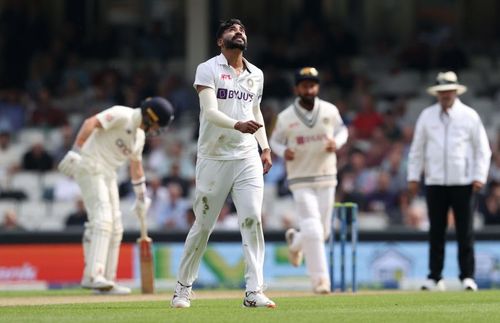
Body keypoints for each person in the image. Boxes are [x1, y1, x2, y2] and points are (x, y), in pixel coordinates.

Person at [171, 18, 275, 308]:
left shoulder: (257, 74)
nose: (238, 32)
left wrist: (264, 147)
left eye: (242, 29)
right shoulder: (208, 68)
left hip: (246, 156)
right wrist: (237, 125)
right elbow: (210, 112)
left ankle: (254, 290)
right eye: (232, 30)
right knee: (203, 225)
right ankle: (182, 288)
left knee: (252, 219)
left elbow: (256, 111)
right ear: (220, 41)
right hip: (214, 156)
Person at [58, 96, 174, 295]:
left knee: (116, 226)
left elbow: (136, 167)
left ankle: (106, 281)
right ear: (150, 118)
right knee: (102, 219)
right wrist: (77, 150)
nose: (156, 131)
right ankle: (93, 276)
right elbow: (91, 122)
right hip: (89, 164)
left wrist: (141, 197)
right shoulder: (122, 114)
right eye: (156, 126)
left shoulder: (139, 137)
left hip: (108, 173)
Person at [407, 71, 491, 292]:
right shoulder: (427, 116)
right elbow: (417, 149)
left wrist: (479, 176)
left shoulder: (469, 115)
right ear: (437, 94)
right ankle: (435, 276)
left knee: (465, 231)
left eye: (448, 91)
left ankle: (467, 277)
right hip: (435, 180)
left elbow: (482, 149)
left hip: (463, 181)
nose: (445, 95)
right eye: (441, 92)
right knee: (436, 230)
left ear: (455, 91)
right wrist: (414, 176)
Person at [269, 67, 348, 294]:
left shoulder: (329, 110)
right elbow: (275, 142)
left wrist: (338, 142)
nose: (309, 89)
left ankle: (295, 242)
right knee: (313, 228)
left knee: (322, 232)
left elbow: (343, 131)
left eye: (312, 85)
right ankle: (320, 280)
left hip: (327, 175)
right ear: (297, 88)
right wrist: (284, 151)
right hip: (300, 177)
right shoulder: (285, 117)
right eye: (304, 85)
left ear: (317, 87)